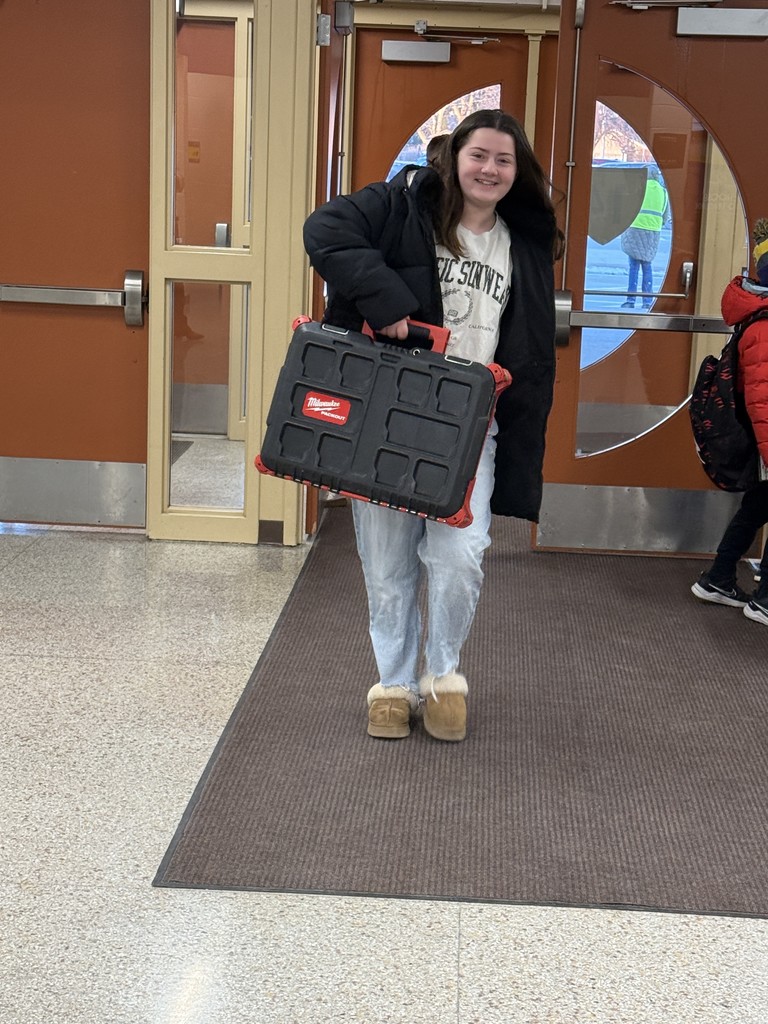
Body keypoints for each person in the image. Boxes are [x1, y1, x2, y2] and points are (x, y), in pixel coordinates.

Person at [303, 108, 563, 741]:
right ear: (455, 157)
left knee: (460, 557)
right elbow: (324, 229)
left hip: (471, 425)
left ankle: (443, 676)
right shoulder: (402, 205)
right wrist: (386, 301)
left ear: (517, 170)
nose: (490, 169)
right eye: (479, 155)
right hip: (387, 416)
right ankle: (393, 685)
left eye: (504, 160)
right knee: (388, 565)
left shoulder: (523, 243)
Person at [691, 217, 768, 626]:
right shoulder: (765, 325)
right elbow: (762, 400)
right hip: (765, 441)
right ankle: (765, 600)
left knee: (756, 507)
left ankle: (719, 579)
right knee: (757, 507)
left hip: (760, 443)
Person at [620, 166, 669, 309]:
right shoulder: (663, 192)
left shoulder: (638, 188)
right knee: (647, 266)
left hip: (635, 229)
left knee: (633, 266)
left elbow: (627, 208)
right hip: (653, 232)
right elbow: (665, 216)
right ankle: (647, 301)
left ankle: (630, 300)